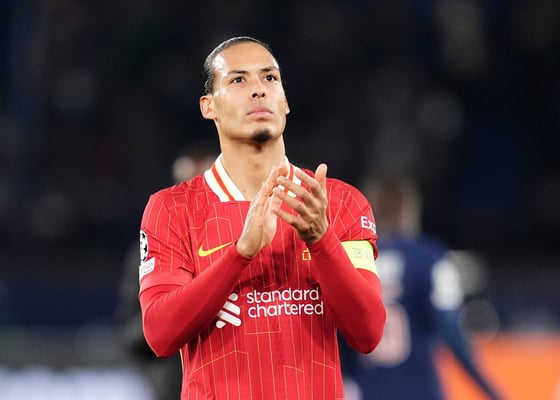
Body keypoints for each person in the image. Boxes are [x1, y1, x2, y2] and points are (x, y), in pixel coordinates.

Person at [136, 36, 386, 399]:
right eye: (238, 80)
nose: (259, 90)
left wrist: (320, 239)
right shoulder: (172, 208)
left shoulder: (339, 202)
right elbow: (160, 334)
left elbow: (369, 333)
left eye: (270, 78)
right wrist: (240, 254)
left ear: (285, 102)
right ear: (209, 107)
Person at [340, 170, 502, 400]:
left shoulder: (352, 261)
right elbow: (452, 331)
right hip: (421, 391)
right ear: (409, 210)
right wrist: (491, 391)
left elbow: (337, 337)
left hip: (368, 391)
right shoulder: (429, 258)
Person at [117, 144, 216, 400]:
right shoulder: (151, 248)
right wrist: (174, 316)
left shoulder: (246, 240)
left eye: (202, 184)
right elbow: (131, 333)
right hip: (174, 385)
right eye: (185, 184)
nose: (192, 193)